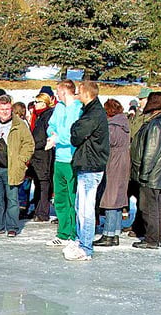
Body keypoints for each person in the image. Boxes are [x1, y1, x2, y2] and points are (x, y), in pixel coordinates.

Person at [0, 93, 34, 238]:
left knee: (12, 199)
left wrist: (21, 160)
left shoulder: (19, 125)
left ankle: (12, 227)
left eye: (7, 109)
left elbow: (29, 144)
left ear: (11, 109)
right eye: (2, 109)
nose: (4, 112)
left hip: (11, 168)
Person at [65, 81, 109, 261]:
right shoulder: (90, 111)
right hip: (86, 164)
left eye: (78, 92)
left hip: (91, 166)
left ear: (86, 94)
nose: (76, 95)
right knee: (79, 206)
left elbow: (76, 135)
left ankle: (86, 246)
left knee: (86, 209)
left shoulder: (94, 114)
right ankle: (80, 239)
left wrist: (74, 128)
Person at [130, 91, 161, 249]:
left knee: (148, 207)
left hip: (152, 175)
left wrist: (143, 173)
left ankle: (151, 239)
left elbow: (151, 151)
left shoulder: (156, 124)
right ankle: (156, 237)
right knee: (157, 207)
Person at [45, 79, 83, 248]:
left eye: (58, 91)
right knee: (60, 198)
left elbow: (75, 134)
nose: (56, 95)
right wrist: (52, 133)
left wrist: (59, 138)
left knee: (73, 197)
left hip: (72, 159)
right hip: (59, 158)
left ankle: (75, 233)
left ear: (65, 91)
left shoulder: (78, 108)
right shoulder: (59, 108)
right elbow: (51, 125)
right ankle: (63, 232)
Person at [93, 98, 130, 248]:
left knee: (110, 198)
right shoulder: (124, 124)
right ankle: (115, 233)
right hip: (123, 162)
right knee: (117, 199)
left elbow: (105, 143)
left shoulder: (112, 126)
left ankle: (108, 234)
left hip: (113, 163)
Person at [27, 90, 55, 222]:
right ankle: (38, 209)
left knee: (44, 183)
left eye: (37, 102)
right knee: (38, 182)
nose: (35, 104)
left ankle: (43, 212)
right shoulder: (39, 116)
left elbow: (49, 136)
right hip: (36, 155)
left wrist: (37, 144)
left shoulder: (48, 115)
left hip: (44, 154)